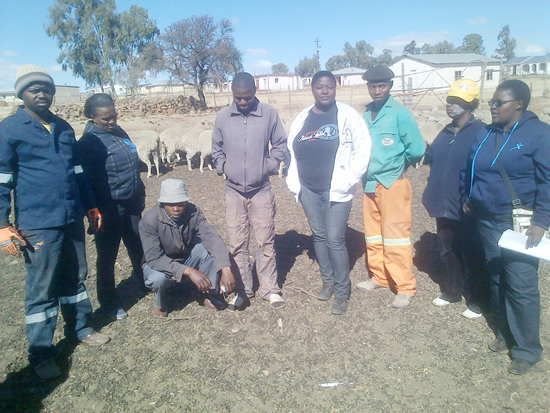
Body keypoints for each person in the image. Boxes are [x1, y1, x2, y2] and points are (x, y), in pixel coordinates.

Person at [0, 65, 109, 380]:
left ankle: (81, 328)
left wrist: (90, 206)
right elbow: (2, 180)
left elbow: (77, 173)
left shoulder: (63, 128)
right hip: (38, 222)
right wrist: (2, 223)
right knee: (42, 288)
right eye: (34, 89)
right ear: (22, 94)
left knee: (75, 277)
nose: (42, 93)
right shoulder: (10, 130)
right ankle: (42, 353)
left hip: (70, 217)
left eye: (46, 88)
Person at [462, 79, 550, 375]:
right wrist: (468, 195)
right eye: (492, 102)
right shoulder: (487, 133)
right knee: (497, 276)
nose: (493, 106)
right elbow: (470, 167)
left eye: (500, 102)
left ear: (519, 105)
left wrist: (541, 221)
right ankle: (505, 333)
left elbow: (548, 180)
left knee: (521, 283)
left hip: (519, 223)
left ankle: (526, 349)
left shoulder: (539, 134)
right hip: (487, 220)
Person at [286, 71, 371, 315]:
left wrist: (350, 178)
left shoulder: (347, 116)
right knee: (319, 236)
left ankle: (343, 292)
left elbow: (362, 149)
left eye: (329, 87)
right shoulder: (303, 117)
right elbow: (292, 150)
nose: (324, 91)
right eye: (320, 87)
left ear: (336, 88)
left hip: (337, 188)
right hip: (309, 188)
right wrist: (294, 181)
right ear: (312, 89)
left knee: (335, 239)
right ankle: (328, 281)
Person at [211, 72, 287, 310]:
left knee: (265, 240)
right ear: (232, 93)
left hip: (261, 189)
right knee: (236, 242)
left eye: (247, 97)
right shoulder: (223, 117)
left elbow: (280, 145)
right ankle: (243, 288)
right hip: (233, 190)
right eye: (238, 98)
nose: (243, 102)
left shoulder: (269, 114)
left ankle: (270, 289)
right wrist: (224, 167)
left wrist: (269, 166)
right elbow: (216, 149)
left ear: (255, 92)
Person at [356, 66, 425, 308]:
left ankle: (405, 286)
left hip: (393, 182)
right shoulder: (365, 115)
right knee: (373, 235)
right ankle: (380, 277)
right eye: (372, 86)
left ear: (390, 86)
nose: (377, 90)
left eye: (382, 86)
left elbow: (416, 149)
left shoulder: (400, 114)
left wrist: (398, 164)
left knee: (396, 236)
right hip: (369, 183)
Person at [422, 79, 489, 318]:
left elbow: (484, 171)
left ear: (473, 105)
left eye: (460, 101)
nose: (452, 105)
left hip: (467, 206)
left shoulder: (482, 132)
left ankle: (477, 299)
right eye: (450, 100)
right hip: (444, 204)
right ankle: (452, 291)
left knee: (472, 252)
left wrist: (473, 199)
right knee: (447, 249)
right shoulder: (446, 131)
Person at [77, 94, 146, 321]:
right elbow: (86, 181)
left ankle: (144, 281)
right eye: (105, 119)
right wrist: (93, 212)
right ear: (92, 117)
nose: (111, 121)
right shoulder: (88, 144)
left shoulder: (118, 133)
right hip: (109, 208)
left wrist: (139, 191)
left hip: (131, 203)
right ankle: (108, 302)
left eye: (114, 116)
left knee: (137, 245)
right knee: (107, 255)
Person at [139, 179, 236, 316]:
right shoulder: (149, 220)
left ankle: (207, 293)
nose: (176, 208)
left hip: (185, 256)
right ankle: (161, 303)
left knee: (206, 251)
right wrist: (189, 271)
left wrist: (226, 268)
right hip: (161, 263)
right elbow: (154, 258)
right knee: (157, 278)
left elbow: (212, 238)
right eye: (170, 204)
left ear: (186, 202)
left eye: (180, 203)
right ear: (162, 204)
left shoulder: (193, 212)